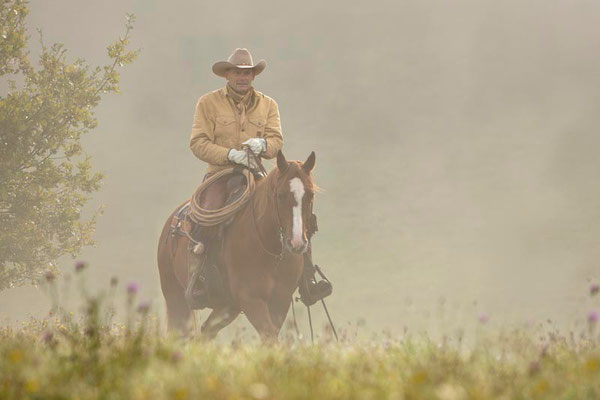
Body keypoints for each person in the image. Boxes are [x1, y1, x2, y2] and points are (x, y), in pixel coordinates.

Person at [186, 48, 331, 308]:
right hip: (219, 175)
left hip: (257, 174)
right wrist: (230, 154)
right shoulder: (207, 103)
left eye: (248, 72)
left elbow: (276, 140)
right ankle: (199, 277)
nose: (243, 77)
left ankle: (306, 278)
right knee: (206, 215)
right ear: (227, 74)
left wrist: (263, 146)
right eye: (238, 72)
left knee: (294, 211)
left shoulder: (268, 105)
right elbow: (198, 143)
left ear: (253, 75)